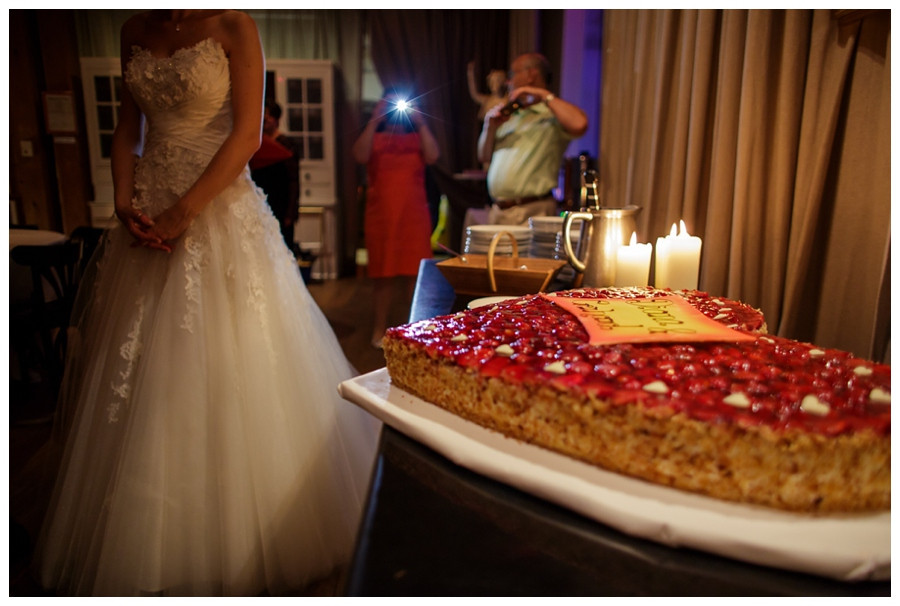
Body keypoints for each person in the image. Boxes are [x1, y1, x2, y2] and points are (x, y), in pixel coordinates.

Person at [33, 10, 379, 596]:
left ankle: (240, 525)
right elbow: (128, 130)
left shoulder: (233, 24)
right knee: (141, 363)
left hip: (215, 206)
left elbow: (247, 135)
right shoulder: (131, 30)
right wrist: (122, 198)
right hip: (145, 213)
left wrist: (184, 210)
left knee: (228, 353)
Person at [352, 92, 439, 348]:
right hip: (382, 217)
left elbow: (433, 156)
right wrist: (373, 121)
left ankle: (415, 328)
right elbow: (359, 155)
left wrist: (421, 122)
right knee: (382, 275)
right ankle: (380, 329)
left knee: (416, 275)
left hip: (414, 217)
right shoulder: (374, 138)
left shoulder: (417, 138)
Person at [477, 53, 589, 225]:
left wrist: (543, 95)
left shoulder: (551, 116)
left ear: (531, 75)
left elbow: (580, 124)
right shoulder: (510, 117)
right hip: (498, 212)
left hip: (532, 212)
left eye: (513, 74)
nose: (509, 82)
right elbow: (483, 156)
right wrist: (489, 127)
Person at [250, 101, 300, 252]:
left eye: (269, 116)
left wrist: (291, 212)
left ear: (277, 119)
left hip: (281, 201)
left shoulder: (287, 144)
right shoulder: (255, 143)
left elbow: (293, 180)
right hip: (261, 198)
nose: (265, 119)